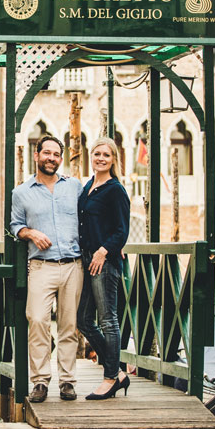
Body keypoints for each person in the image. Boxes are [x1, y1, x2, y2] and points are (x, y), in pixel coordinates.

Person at [10, 136, 84, 403]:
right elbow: (15, 225)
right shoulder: (21, 192)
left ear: (60, 159)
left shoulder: (75, 187)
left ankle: (67, 382)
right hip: (41, 265)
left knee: (69, 325)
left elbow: (92, 217)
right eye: (47, 153)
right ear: (36, 155)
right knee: (38, 320)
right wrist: (30, 233)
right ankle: (40, 381)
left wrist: (111, 243)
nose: (51, 158)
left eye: (56, 154)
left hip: (74, 265)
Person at [77, 137, 131, 400]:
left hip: (104, 262)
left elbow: (122, 231)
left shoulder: (115, 190)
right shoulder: (89, 187)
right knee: (83, 320)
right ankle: (118, 372)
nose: (100, 158)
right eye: (97, 153)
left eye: (106, 155)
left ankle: (110, 379)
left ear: (113, 160)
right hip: (85, 260)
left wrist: (104, 250)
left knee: (108, 320)